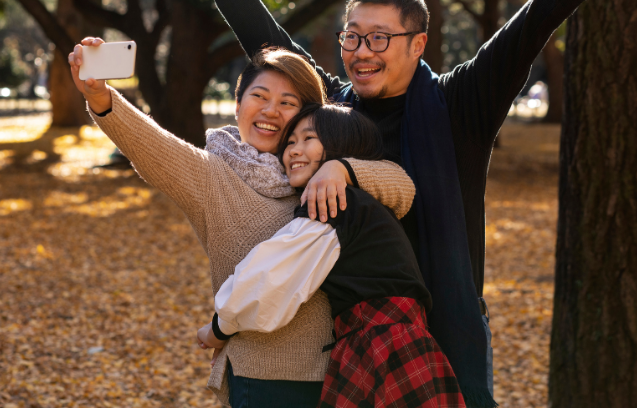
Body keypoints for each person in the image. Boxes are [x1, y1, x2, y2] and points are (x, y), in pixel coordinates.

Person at [186, 0, 637, 407]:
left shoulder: (459, 104)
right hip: (349, 337)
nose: (361, 51)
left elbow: (523, 35)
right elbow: (268, 41)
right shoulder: (332, 111)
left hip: (445, 327)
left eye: (379, 38)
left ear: (418, 43)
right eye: (351, 36)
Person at [68, 43, 416, 407]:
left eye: (287, 102)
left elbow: (403, 189)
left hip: (348, 372)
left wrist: (341, 169)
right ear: (238, 105)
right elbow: (151, 147)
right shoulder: (213, 177)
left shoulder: (318, 167)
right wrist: (101, 97)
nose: (270, 110)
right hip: (266, 378)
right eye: (259, 96)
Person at [198, 103, 466, 408]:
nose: (294, 151)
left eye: (308, 139)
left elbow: (270, 278)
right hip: (390, 341)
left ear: (342, 145)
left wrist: (218, 328)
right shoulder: (360, 203)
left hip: (384, 346)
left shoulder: (333, 202)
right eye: (290, 142)